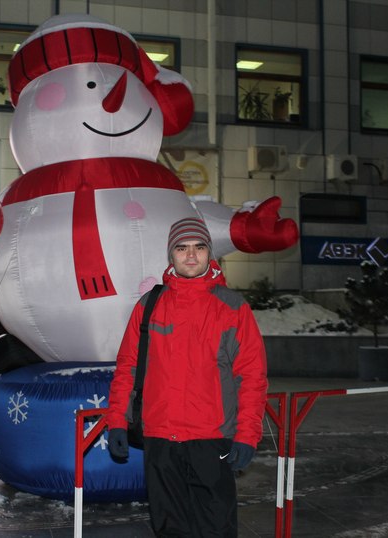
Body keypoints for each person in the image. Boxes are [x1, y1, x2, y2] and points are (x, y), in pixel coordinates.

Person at [107, 217, 269, 537]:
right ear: (171, 255)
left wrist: (247, 435)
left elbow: (252, 377)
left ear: (210, 253)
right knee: (170, 528)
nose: (191, 255)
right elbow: (128, 367)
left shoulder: (232, 307)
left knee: (216, 528)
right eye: (182, 248)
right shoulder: (149, 305)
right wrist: (116, 421)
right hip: (160, 439)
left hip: (211, 438)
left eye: (199, 247)